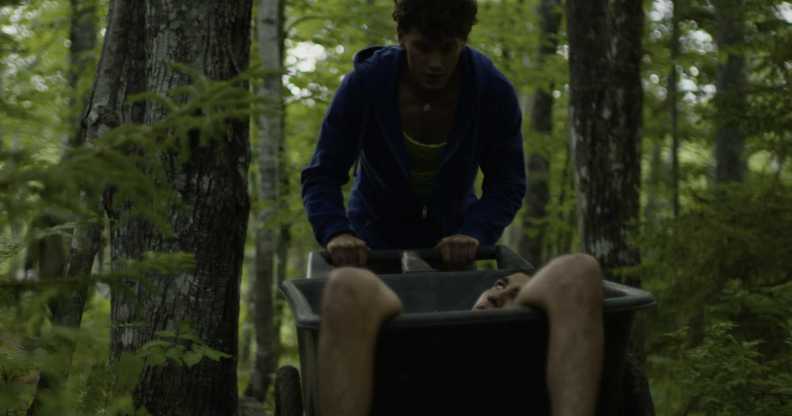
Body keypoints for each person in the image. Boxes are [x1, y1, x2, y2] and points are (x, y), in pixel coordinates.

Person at [301, 0, 526, 269]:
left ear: (464, 41)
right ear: (401, 37)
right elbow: (322, 173)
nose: (435, 63)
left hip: (455, 248)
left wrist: (475, 232)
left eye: (447, 49)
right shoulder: (367, 83)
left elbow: (507, 182)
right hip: (369, 244)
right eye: (422, 47)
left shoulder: (491, 91)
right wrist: (337, 232)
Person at [318, 253, 604, 416]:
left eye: (514, 295)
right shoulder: (422, 322)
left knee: (579, 268)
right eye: (498, 284)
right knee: (345, 283)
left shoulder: (541, 345)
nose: (495, 295)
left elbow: (575, 274)